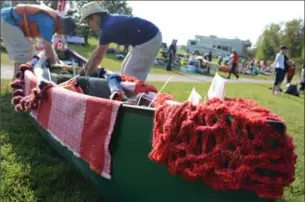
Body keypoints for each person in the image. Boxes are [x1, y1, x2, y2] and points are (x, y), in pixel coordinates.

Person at [78, 1, 162, 81]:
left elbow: (98, 57)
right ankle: (127, 93)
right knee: (124, 68)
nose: (88, 25)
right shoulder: (107, 23)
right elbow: (97, 52)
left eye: (87, 21)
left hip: (149, 38)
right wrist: (84, 69)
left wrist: (86, 76)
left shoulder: (108, 28)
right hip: (145, 38)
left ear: (95, 17)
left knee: (131, 74)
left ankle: (133, 95)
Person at [1, 4, 76, 78]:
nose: (63, 34)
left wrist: (58, 61)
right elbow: (47, 47)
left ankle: (20, 79)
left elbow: (49, 46)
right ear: (63, 26)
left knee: (30, 51)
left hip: (8, 19)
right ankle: (17, 83)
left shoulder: (53, 20)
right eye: (65, 32)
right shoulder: (49, 22)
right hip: (8, 19)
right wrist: (56, 66)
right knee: (24, 52)